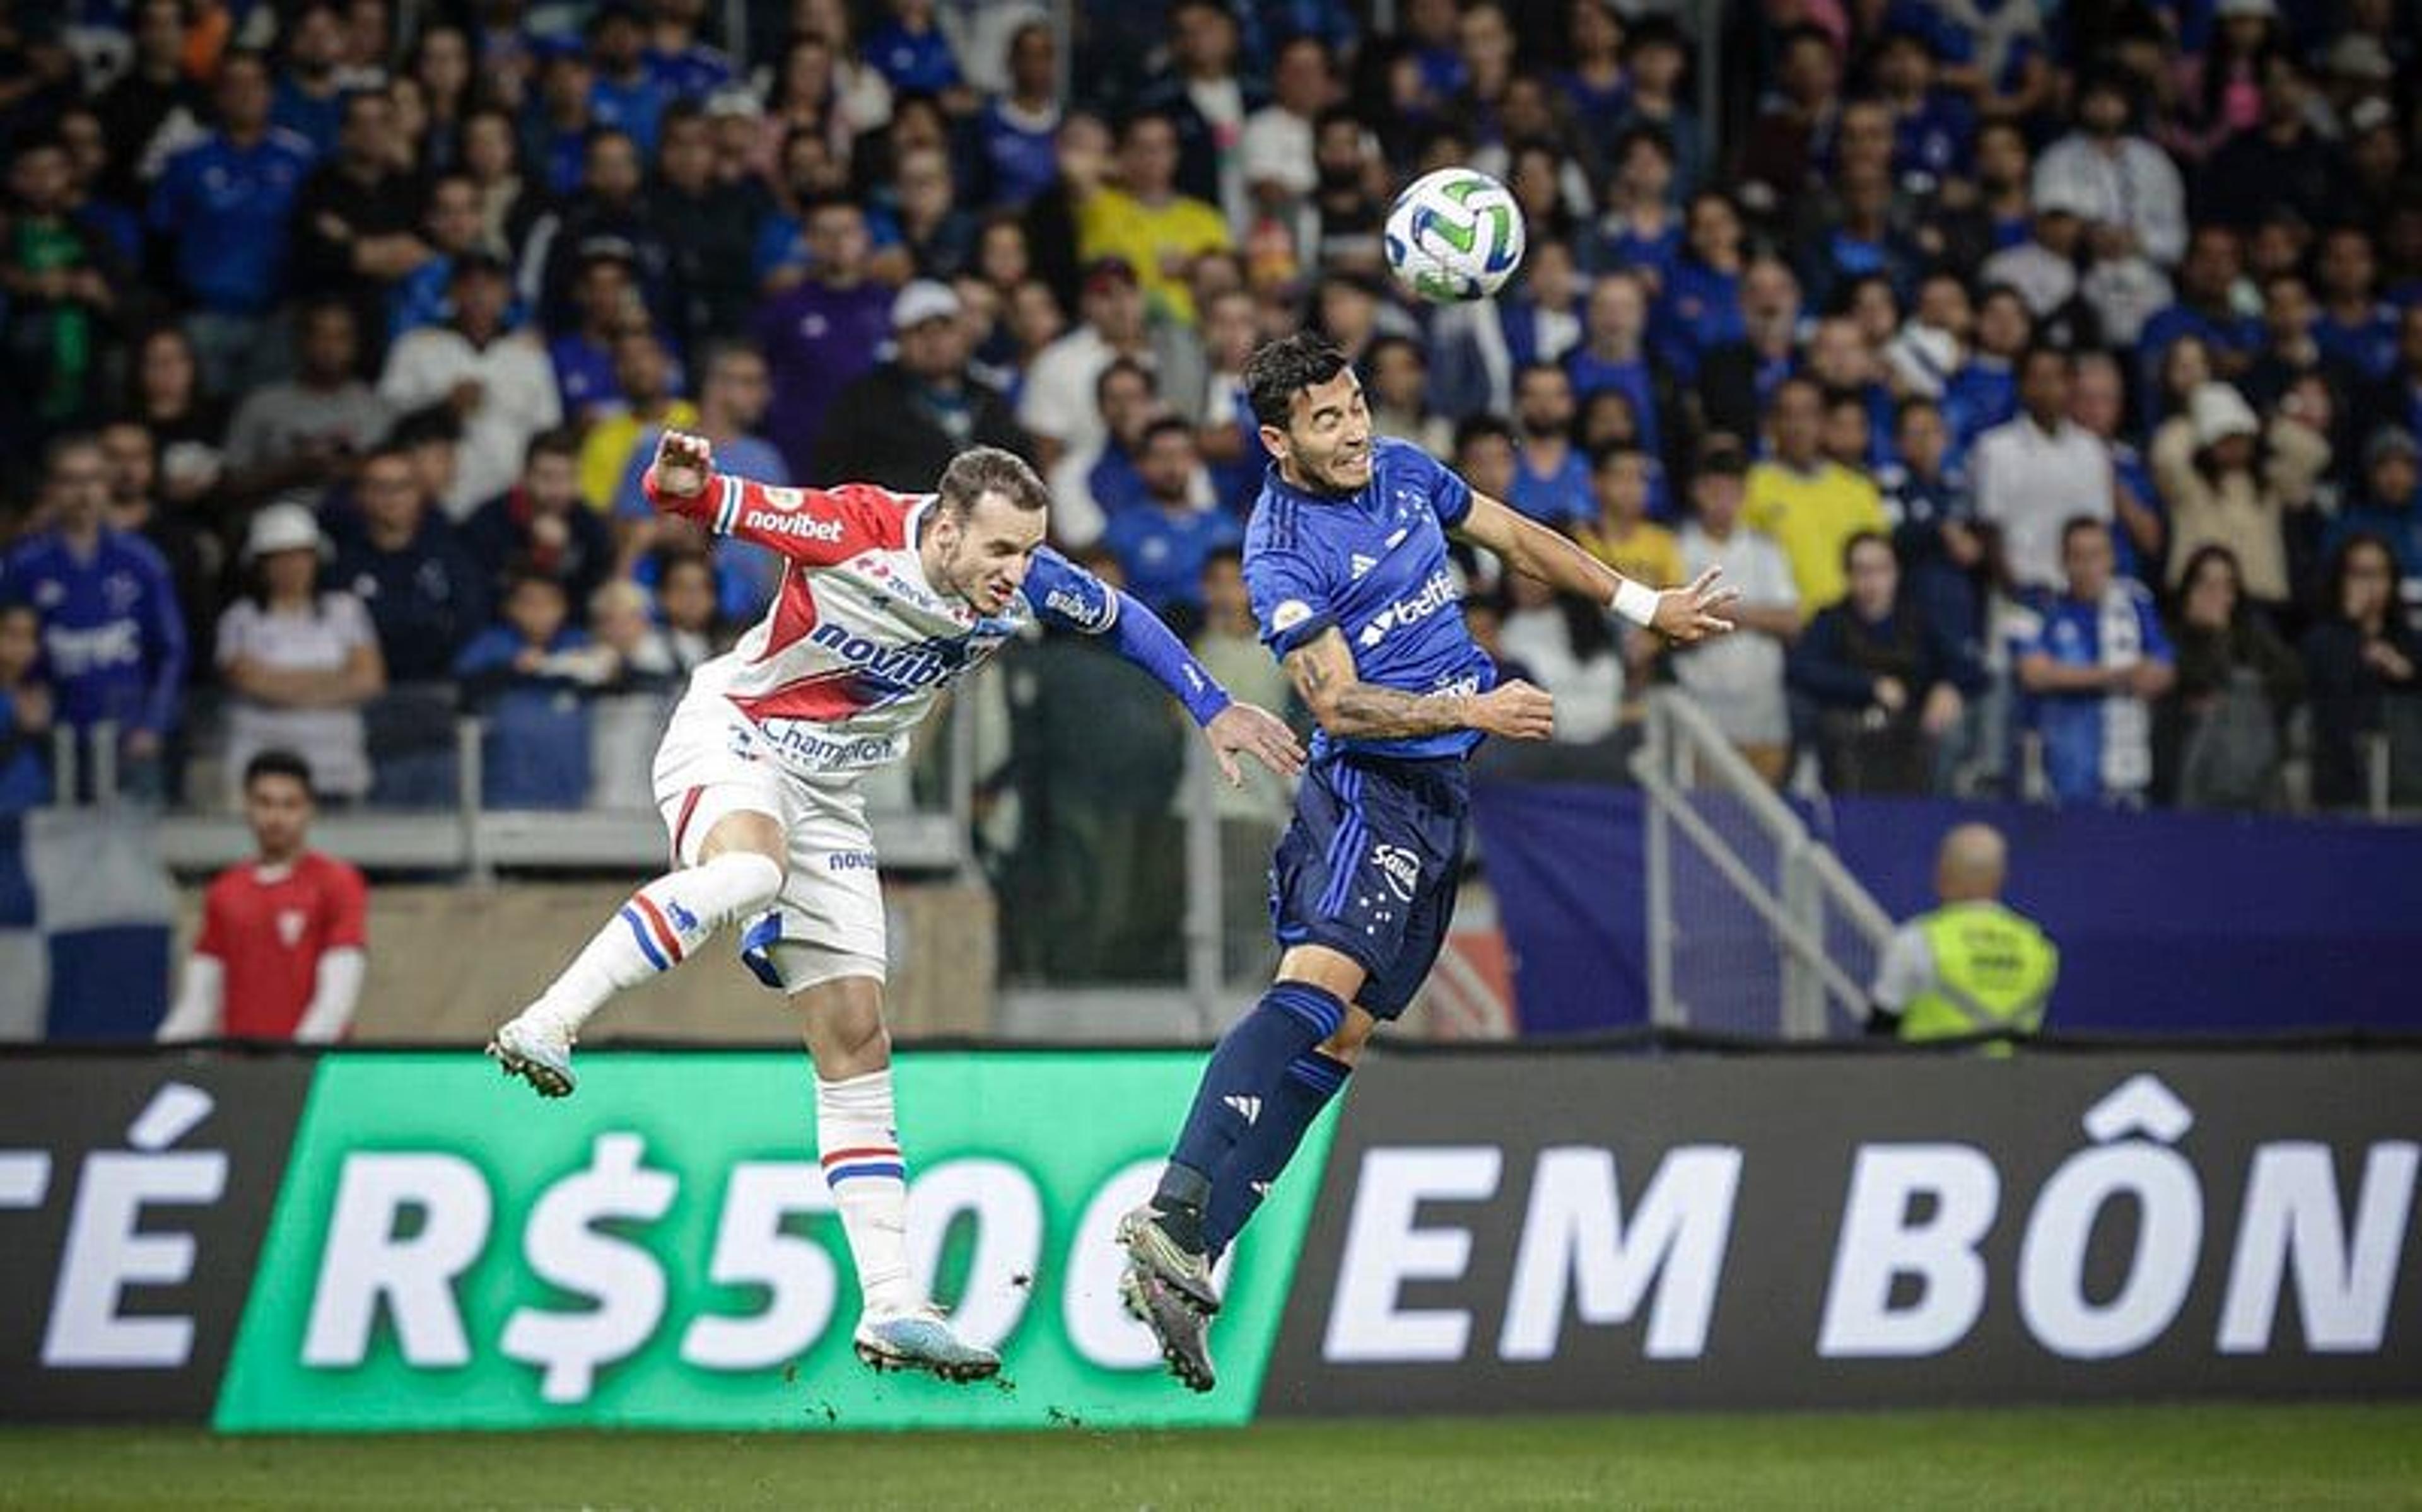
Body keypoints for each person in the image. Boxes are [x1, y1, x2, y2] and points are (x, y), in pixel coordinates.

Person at [488, 432, 1303, 1382]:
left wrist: (1210, 706)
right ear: (946, 529)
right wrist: (674, 484)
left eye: (1031, 551)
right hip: (737, 738)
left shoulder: (1027, 581)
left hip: (833, 793)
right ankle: (546, 1021)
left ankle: (890, 1305)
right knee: (750, 872)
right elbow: (711, 499)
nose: (1019, 573)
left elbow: (1123, 620)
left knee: (857, 1040)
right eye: (1000, 551)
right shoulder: (852, 526)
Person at [1114, 333, 1736, 1392]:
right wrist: (1471, 707)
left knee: (1348, 1033)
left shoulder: (1402, 470)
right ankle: (1172, 1207)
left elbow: (1518, 535)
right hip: (1370, 788)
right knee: (1316, 986)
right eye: (1327, 419)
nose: (1354, 429)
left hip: (1440, 793)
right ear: (1278, 440)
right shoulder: (1280, 549)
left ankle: (1192, 1253)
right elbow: (1333, 701)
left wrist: (1642, 603)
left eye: (1355, 404)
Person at [6, 436, 186, 798]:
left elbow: (172, 648)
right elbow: (6, 646)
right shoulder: (24, 566)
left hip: (129, 738)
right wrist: (15, 701)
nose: (83, 492)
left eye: (93, 480)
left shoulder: (142, 561)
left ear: (107, 486)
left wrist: (154, 724)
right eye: (71, 480)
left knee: (134, 846)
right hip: (51, 738)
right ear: (52, 489)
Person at [156, 750, 370, 1043]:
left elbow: (337, 996)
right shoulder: (225, 891)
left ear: (310, 809)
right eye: (265, 803)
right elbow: (199, 1001)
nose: (276, 817)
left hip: (317, 1066)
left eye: (290, 804)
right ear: (247, 806)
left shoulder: (337, 882)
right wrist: (158, 1060)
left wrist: (296, 1059)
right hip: (243, 1069)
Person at [216, 503, 385, 807]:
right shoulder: (239, 619)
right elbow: (248, 681)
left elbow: (369, 680)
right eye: (280, 558)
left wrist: (279, 682)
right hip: (260, 777)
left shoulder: (346, 611)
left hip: (336, 772)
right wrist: (335, 679)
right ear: (261, 565)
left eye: (300, 555)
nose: (292, 566)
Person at [1789, 533, 1982, 796]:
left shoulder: (1921, 617)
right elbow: (1802, 668)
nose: (1872, 580)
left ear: (1896, 573)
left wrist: (1950, 688)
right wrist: (1870, 685)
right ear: (1848, 576)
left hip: (1916, 724)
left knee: (1952, 728)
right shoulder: (1831, 619)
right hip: (1847, 726)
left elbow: (1969, 667)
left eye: (1881, 569)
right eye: (1862, 570)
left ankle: (1937, 815)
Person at [2010, 517, 2177, 808]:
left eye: (2097, 555)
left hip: (2127, 765)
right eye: (2078, 557)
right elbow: (2034, 674)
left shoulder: (2135, 603)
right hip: (2060, 766)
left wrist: (2069, 676)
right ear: (2063, 561)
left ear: (2111, 558)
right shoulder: (2040, 604)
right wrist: (2122, 674)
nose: (2088, 567)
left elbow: (2162, 672)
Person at [1867, 822, 2058, 1053]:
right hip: (2017, 1085)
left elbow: (1878, 1035)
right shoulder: (2039, 946)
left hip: (1930, 1083)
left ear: (1942, 873)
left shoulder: (1917, 940)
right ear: (2000, 876)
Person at [2302, 533, 2422, 810]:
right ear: (2341, 580)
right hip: (2340, 784)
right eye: (2359, 573)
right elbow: (2326, 685)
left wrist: (2407, 674)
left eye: (2378, 574)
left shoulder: (2410, 642)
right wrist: (2349, 624)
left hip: (2409, 783)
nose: (2370, 584)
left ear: (2392, 581)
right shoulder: (2322, 638)